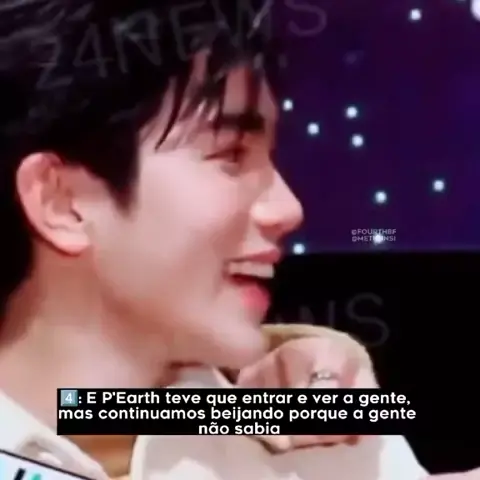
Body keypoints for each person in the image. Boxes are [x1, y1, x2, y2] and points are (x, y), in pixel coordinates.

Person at [0, 0, 477, 479]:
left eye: (270, 156)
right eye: (231, 154)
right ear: (61, 201)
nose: (288, 209)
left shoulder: (316, 437)